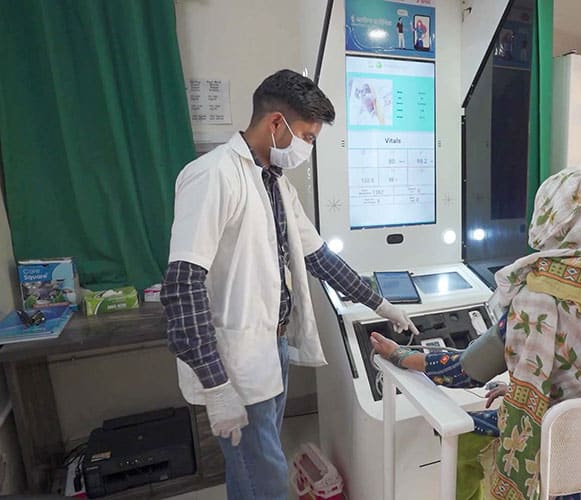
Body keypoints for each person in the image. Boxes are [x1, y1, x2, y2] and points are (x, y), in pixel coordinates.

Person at [161, 69, 418, 500]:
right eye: (307, 137)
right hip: (234, 359)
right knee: (265, 472)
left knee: (251, 465)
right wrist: (216, 385)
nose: (307, 148)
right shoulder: (214, 176)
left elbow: (320, 258)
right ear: (276, 123)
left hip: (271, 345)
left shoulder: (275, 182)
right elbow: (182, 285)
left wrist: (380, 304)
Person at [371, 168, 581, 499]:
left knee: (463, 436)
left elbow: (465, 371)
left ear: (551, 218)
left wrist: (402, 355)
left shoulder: (539, 299)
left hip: (558, 466)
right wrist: (525, 393)